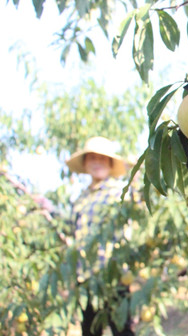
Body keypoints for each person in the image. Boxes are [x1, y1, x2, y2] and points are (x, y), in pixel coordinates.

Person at [66, 136, 135, 336]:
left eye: (103, 158)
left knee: (122, 330)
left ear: (110, 163)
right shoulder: (80, 198)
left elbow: (137, 203)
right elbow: (70, 228)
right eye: (92, 158)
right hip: (86, 278)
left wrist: (138, 174)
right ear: (86, 163)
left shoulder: (119, 191)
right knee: (89, 330)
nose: (97, 163)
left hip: (114, 276)